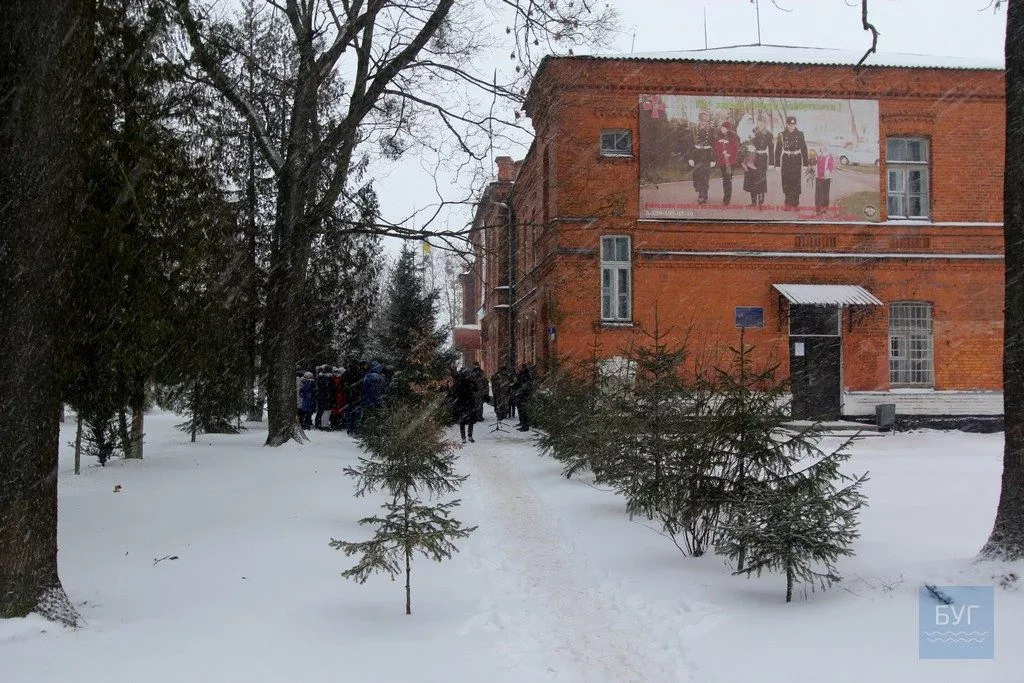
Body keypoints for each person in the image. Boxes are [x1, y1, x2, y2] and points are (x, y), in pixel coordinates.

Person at [774, 115, 808, 210]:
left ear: (795, 124)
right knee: (787, 182)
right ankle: (787, 203)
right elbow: (778, 150)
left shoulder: (800, 134)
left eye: (793, 124)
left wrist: (805, 163)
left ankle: (796, 204)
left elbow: (804, 149)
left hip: (796, 159)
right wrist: (777, 164)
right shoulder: (781, 134)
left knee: (796, 182)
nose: (792, 126)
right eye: (790, 124)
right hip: (786, 160)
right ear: (787, 124)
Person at [744, 120, 774, 208]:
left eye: (761, 123)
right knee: (752, 178)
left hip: (762, 158)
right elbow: (747, 146)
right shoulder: (752, 132)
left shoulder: (769, 134)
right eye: (758, 123)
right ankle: (753, 202)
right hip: (752, 158)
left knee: (761, 179)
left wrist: (772, 162)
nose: (759, 125)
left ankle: (761, 201)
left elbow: (771, 149)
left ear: (765, 124)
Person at [687, 111, 715, 205]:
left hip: (707, 154)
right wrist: (690, 157)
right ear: (700, 118)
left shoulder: (712, 129)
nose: (704, 121)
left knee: (705, 174)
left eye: (706, 118)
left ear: (707, 119)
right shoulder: (694, 129)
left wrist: (713, 159)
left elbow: (713, 145)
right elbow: (690, 143)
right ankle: (701, 192)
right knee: (697, 174)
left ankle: (702, 195)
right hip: (697, 154)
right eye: (702, 118)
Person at [713, 121, 740, 205]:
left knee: (728, 178)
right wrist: (722, 152)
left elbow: (735, 147)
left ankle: (727, 198)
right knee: (725, 179)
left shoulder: (733, 136)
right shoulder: (718, 136)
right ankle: (726, 196)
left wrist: (729, 153)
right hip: (722, 160)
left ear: (728, 129)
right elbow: (716, 146)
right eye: (721, 127)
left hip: (730, 161)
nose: (722, 129)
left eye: (724, 128)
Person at [452, 368, 477, 443]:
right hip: (467, 402)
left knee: (463, 421)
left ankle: (464, 437)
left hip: (463, 403)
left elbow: (454, 391)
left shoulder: (459, 381)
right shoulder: (468, 381)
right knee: (469, 421)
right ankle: (469, 436)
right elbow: (476, 389)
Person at [510, 363, 534, 432]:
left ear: (523, 368)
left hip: (523, 395)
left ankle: (525, 425)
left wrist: (517, 384)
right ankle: (522, 423)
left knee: (524, 410)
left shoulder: (526, 375)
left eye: (520, 368)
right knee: (520, 410)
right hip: (519, 395)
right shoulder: (520, 375)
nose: (518, 369)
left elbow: (523, 385)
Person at [815, 144, 835, 215]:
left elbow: (831, 165)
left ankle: (824, 207)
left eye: (824, 145)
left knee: (825, 192)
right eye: (821, 145)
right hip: (818, 176)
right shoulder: (817, 155)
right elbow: (813, 163)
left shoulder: (829, 155)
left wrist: (828, 171)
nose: (822, 147)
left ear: (826, 147)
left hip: (826, 177)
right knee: (818, 193)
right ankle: (818, 208)